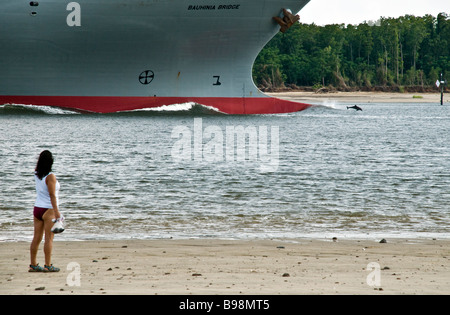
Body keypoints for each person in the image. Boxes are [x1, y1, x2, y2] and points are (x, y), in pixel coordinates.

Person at [29, 150, 62, 272]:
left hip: (37, 208)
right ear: (50, 162)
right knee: (49, 238)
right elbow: (52, 195)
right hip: (49, 209)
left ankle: (33, 265)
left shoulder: (36, 173)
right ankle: (48, 265)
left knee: (36, 237)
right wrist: (57, 212)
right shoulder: (50, 176)